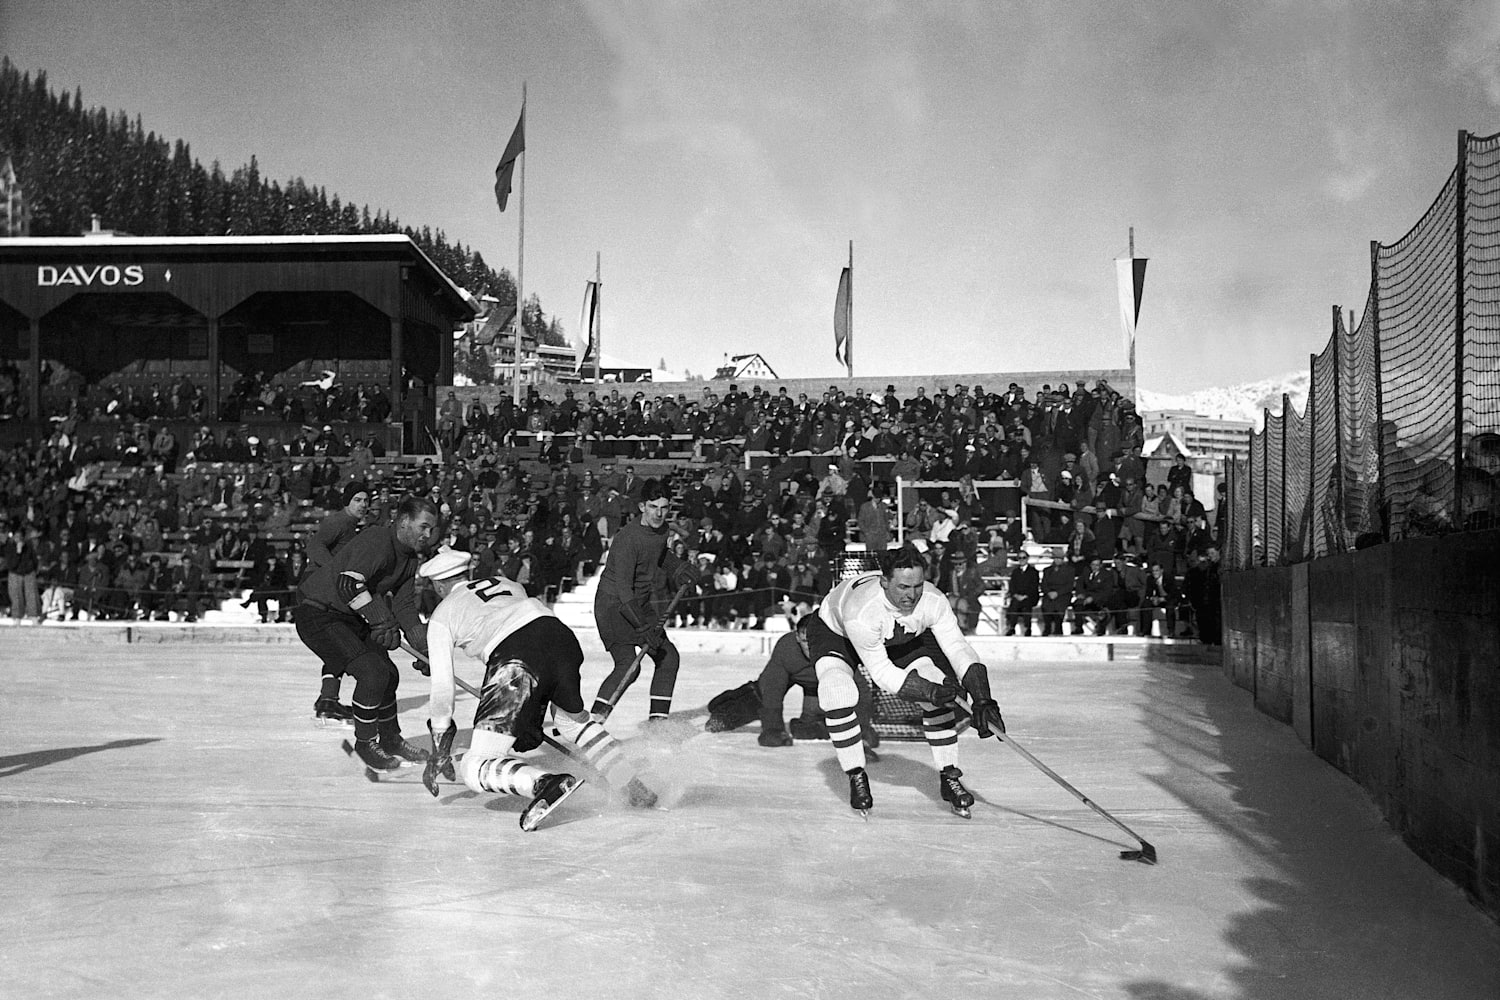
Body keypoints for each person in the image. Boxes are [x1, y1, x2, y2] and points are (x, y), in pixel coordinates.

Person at [416, 549, 656, 831]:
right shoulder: (506, 583)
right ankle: (631, 784)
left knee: (475, 765)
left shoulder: (443, 614)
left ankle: (545, 784)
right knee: (573, 721)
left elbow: (443, 688)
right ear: (467, 573)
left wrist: (441, 745)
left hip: (516, 656)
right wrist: (528, 715)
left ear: (438, 585)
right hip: (559, 637)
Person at [807, 546, 1006, 817]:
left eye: (917, 586)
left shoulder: (932, 600)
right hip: (837, 633)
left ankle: (949, 777)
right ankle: (855, 773)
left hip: (895, 635)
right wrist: (930, 692)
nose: (911, 595)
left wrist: (983, 698)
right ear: (884, 582)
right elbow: (881, 673)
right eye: (902, 587)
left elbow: (958, 647)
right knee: (838, 691)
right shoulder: (863, 611)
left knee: (938, 684)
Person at [295, 495, 439, 771]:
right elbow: (348, 583)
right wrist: (381, 620)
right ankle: (365, 742)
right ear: (404, 522)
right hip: (319, 614)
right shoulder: (377, 539)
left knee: (389, 675)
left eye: (431, 529)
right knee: (372, 673)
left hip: (348, 617)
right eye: (423, 526)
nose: (427, 534)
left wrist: (423, 647)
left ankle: (390, 739)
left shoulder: (408, 558)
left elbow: (405, 605)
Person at [590, 479, 699, 723]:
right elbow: (623, 589)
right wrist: (643, 627)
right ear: (641, 507)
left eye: (664, 507)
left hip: (638, 603)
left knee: (668, 658)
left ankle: (658, 725)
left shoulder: (661, 530)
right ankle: (594, 723)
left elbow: (657, 554)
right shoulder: (628, 539)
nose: (659, 513)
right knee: (629, 665)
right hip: (614, 606)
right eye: (653, 507)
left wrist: (678, 567)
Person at [304, 481, 370, 723]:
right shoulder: (338, 522)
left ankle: (328, 700)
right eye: (358, 500)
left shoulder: (351, 527)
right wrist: (334, 571)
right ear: (347, 501)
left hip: (328, 592)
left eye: (366, 500)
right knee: (343, 645)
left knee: (336, 650)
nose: (364, 504)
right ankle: (328, 700)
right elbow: (314, 545)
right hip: (320, 592)